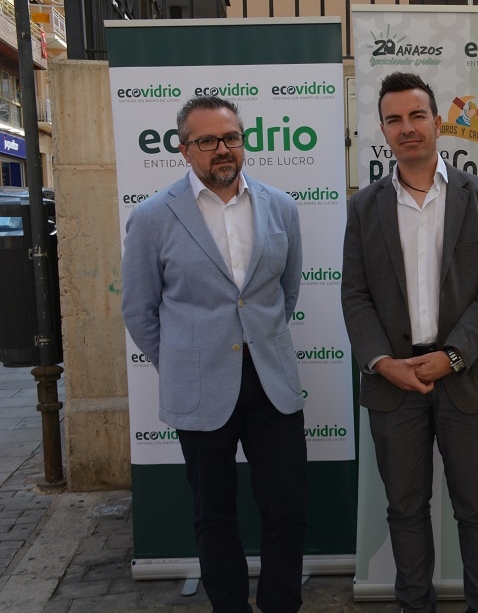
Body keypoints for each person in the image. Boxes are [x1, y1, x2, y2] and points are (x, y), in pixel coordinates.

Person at [121, 95, 307, 613]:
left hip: (271, 382)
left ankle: (280, 604)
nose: (222, 149)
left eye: (231, 138)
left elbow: (286, 294)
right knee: (214, 512)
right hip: (199, 386)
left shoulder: (280, 207)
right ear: (184, 150)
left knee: (288, 507)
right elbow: (139, 310)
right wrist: (183, 362)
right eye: (207, 141)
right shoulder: (153, 217)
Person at [341, 72, 478, 613]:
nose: (407, 128)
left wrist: (453, 356)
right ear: (383, 131)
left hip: (466, 375)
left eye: (417, 115)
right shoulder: (364, 207)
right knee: (405, 510)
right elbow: (355, 294)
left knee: (477, 509)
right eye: (394, 119)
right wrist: (381, 361)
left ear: (437, 122)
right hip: (395, 384)